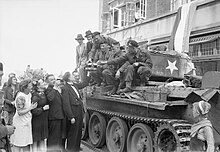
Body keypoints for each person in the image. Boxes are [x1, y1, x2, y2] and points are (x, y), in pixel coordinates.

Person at [62, 72, 90, 152]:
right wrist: (71, 117)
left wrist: (88, 74)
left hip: (79, 112)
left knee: (78, 133)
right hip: (73, 113)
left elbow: (84, 84)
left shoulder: (74, 85)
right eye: (72, 76)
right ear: (68, 78)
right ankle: (71, 149)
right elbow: (66, 104)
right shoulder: (65, 88)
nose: (74, 77)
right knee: (72, 134)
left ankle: (76, 149)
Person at [11, 79, 38, 152]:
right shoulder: (21, 97)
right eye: (30, 86)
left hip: (27, 121)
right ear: (25, 87)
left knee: (26, 142)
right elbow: (20, 112)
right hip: (20, 122)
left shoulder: (29, 94)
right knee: (18, 142)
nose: (31, 87)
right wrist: (30, 108)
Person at [45, 74, 64, 152]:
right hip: (53, 117)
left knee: (58, 137)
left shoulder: (55, 89)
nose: (54, 81)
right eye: (51, 80)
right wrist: (55, 88)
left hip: (58, 116)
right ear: (47, 81)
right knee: (53, 137)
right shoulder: (49, 90)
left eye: (54, 79)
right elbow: (50, 98)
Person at [0, 62, 15, 152]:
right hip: (7, 108)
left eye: (2, 76)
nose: (0, 79)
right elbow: (5, 99)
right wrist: (5, 130)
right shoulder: (6, 89)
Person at [31, 79, 49, 152]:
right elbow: (33, 110)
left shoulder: (44, 93)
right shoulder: (35, 96)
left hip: (43, 120)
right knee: (36, 139)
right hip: (37, 121)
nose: (44, 83)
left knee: (42, 139)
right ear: (38, 86)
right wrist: (43, 109)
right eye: (42, 82)